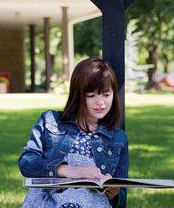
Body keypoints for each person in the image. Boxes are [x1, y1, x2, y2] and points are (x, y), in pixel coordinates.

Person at [18, 57, 129, 208]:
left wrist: (115, 194)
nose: (101, 102)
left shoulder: (118, 138)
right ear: (78, 95)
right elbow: (27, 162)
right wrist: (67, 170)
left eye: (106, 94)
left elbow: (121, 199)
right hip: (51, 201)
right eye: (91, 95)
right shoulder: (50, 121)